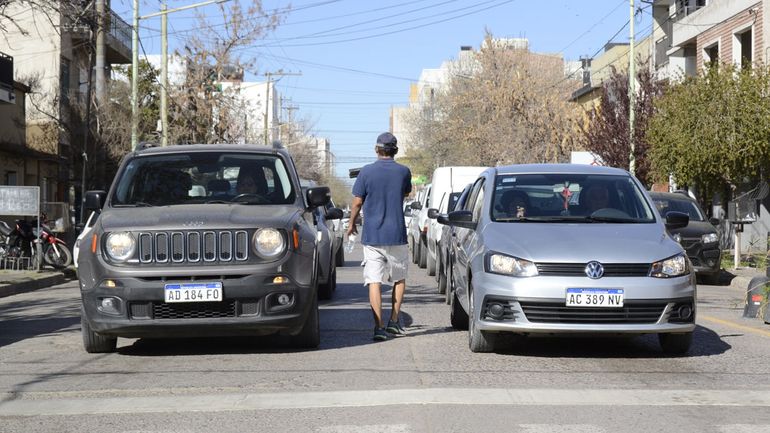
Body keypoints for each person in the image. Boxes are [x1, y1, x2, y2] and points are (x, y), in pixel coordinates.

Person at [346, 132, 412, 341]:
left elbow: (357, 202)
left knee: (374, 281)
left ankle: (379, 328)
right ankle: (394, 321)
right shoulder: (404, 172)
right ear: (395, 151)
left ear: (376, 149)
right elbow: (404, 193)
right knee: (399, 279)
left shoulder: (366, 172)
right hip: (397, 234)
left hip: (373, 235)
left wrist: (351, 224)